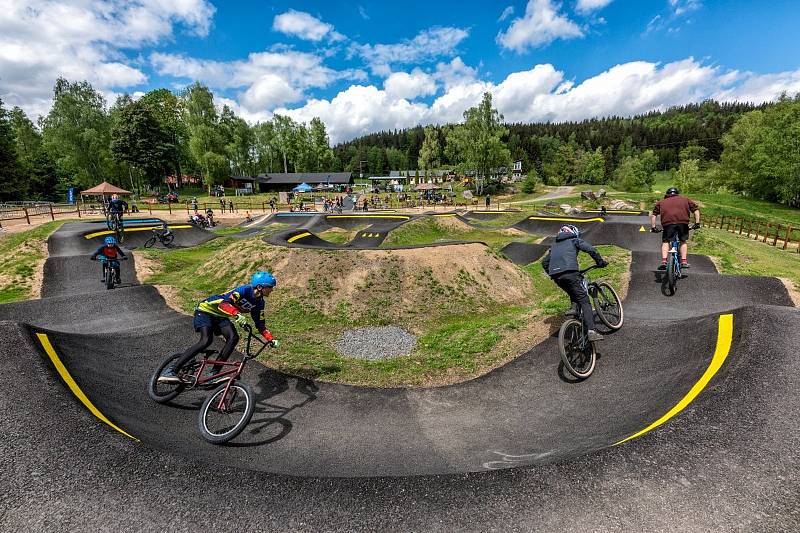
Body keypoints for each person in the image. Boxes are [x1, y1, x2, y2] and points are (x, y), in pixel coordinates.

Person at [159, 272, 279, 383]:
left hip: (221, 316)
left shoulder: (260, 303)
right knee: (206, 340)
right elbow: (224, 303)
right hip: (205, 310)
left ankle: (213, 374)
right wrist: (236, 314)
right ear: (259, 287)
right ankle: (171, 370)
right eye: (270, 287)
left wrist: (270, 338)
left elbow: (260, 324)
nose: (272, 290)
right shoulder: (244, 290)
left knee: (233, 337)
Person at [541, 225, 608, 342]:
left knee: (573, 292)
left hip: (557, 277)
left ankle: (574, 311)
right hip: (571, 273)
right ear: (574, 232)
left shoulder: (554, 246)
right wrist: (600, 262)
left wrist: (553, 274)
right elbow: (591, 249)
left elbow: (544, 262)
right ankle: (591, 331)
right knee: (584, 300)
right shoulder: (574, 240)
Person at [650, 187, 701, 270]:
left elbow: (654, 215)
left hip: (668, 224)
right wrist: (697, 223)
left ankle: (664, 261)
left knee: (666, 241)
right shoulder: (686, 200)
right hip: (683, 223)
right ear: (677, 194)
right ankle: (684, 261)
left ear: (667, 195)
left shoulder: (661, 202)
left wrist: (653, 227)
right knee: (683, 241)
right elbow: (696, 210)